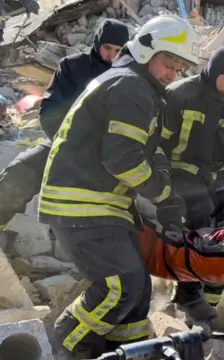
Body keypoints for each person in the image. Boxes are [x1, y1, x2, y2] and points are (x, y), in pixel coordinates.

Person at [38, 15, 198, 359]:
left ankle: (131, 350)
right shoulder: (131, 87)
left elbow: (147, 150)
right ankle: (63, 349)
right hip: (83, 204)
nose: (173, 74)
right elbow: (123, 160)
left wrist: (164, 181)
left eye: (179, 68)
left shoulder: (137, 87)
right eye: (169, 63)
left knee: (138, 290)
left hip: (99, 204)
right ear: (145, 50)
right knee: (119, 285)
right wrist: (163, 196)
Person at [0, 18, 129, 234]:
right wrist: (70, 145)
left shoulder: (128, 78)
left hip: (106, 157)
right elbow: (50, 110)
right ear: (98, 43)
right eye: (107, 48)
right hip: (65, 144)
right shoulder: (72, 66)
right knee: (19, 172)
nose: (112, 56)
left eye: (118, 50)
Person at [159, 46, 224, 328]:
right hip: (177, 176)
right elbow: (159, 146)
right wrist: (163, 185)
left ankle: (205, 313)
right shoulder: (178, 95)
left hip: (213, 182)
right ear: (212, 73)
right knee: (202, 224)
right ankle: (188, 296)